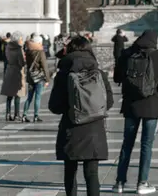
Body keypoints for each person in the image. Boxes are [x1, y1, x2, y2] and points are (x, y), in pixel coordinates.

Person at [49, 36, 114, 196]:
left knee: (70, 172)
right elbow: (109, 102)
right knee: (92, 174)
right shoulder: (98, 72)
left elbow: (54, 106)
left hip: (71, 127)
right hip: (94, 129)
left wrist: (73, 107)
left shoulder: (64, 74)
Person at [113, 30, 158, 194]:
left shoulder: (126, 53)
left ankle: (119, 183)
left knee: (127, 144)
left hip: (131, 104)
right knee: (147, 144)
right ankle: (142, 183)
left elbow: (117, 78)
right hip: (151, 104)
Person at [22, 35, 50, 123]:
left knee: (29, 97)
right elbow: (45, 66)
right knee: (37, 97)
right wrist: (47, 79)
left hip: (30, 77)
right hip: (39, 77)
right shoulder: (40, 52)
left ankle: (24, 115)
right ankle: (36, 116)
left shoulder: (28, 51)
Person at [0, 31, 26, 122]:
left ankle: (7, 113)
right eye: (21, 39)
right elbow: (22, 62)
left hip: (9, 70)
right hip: (17, 71)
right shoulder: (18, 49)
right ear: (18, 39)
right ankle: (16, 114)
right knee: (17, 94)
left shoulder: (8, 47)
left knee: (9, 94)